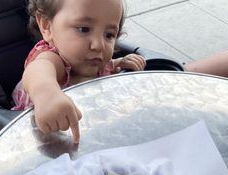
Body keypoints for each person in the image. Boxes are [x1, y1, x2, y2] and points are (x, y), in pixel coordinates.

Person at [12, 0, 146, 143]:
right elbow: (37, 72)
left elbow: (102, 70)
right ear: (47, 26)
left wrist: (118, 64)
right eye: (83, 29)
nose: (98, 45)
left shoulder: (93, 60)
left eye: (109, 35)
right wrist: (47, 94)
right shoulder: (53, 58)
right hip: (43, 139)